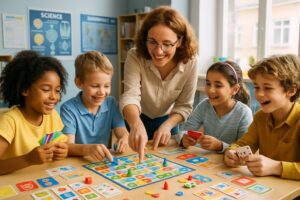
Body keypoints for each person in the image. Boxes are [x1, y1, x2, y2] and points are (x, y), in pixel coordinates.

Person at [119, 6, 199, 162]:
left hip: (168, 121)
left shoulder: (191, 61)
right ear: (145, 39)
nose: (158, 51)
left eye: (167, 44)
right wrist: (135, 124)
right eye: (152, 42)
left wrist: (167, 125)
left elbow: (184, 105)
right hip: (136, 117)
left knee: (167, 167)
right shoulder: (135, 56)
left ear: (180, 41)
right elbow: (130, 96)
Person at [224, 54, 300, 180]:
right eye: (257, 87)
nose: (259, 94)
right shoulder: (261, 117)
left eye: (268, 88)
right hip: (268, 189)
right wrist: (231, 153)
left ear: (291, 90)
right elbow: (242, 144)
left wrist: (276, 167)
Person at [0, 50, 68, 175]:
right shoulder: (9, 121)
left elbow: (61, 144)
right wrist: (28, 159)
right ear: (25, 89)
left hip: (40, 180)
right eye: (46, 89)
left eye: (57, 90)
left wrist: (64, 150)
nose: (54, 96)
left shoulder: (52, 116)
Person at [60, 51, 129, 162]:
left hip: (102, 163)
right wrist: (88, 149)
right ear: (79, 83)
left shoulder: (111, 103)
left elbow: (123, 132)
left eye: (107, 86)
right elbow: (67, 146)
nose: (102, 92)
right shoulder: (68, 109)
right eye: (95, 86)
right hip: (78, 163)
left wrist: (124, 139)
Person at [177, 61, 253, 152]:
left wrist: (220, 146)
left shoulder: (244, 113)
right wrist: (183, 139)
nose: (211, 90)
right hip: (208, 161)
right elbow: (183, 131)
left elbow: (245, 150)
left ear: (234, 89)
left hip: (231, 164)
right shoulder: (204, 105)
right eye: (208, 84)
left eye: (218, 85)